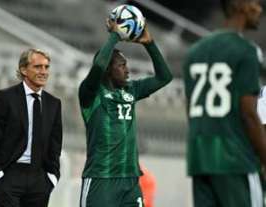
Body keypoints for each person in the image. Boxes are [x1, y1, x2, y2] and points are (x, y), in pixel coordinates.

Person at [78, 19, 173, 207]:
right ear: (108, 69)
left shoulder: (131, 90)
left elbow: (165, 77)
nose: (128, 71)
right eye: (122, 65)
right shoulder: (91, 93)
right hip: (101, 178)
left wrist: (150, 44)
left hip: (130, 180)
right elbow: (97, 67)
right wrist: (115, 35)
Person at [182, 0, 266, 207]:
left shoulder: (195, 51)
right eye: (256, 3)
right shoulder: (247, 50)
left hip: (200, 159)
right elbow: (249, 114)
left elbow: (190, 108)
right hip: (235, 159)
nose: (260, 9)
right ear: (240, 5)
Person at [0, 48, 63, 207]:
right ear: (23, 69)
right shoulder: (3, 98)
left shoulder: (54, 104)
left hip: (40, 178)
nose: (44, 71)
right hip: (9, 175)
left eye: (46, 67)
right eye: (38, 67)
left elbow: (55, 144)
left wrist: (52, 177)